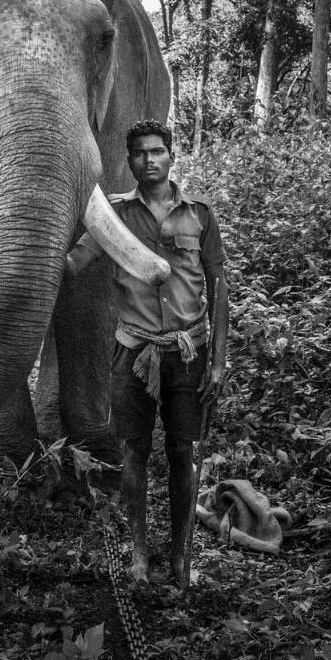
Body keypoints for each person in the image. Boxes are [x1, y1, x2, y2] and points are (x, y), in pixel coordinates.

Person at [67, 119, 230, 590]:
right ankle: (139, 553)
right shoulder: (112, 215)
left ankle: (181, 557)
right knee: (133, 452)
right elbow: (76, 263)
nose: (149, 160)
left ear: (171, 155)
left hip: (189, 351)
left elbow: (219, 286)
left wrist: (218, 361)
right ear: (130, 159)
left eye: (157, 151)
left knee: (184, 451)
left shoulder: (199, 214)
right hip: (133, 350)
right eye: (139, 153)